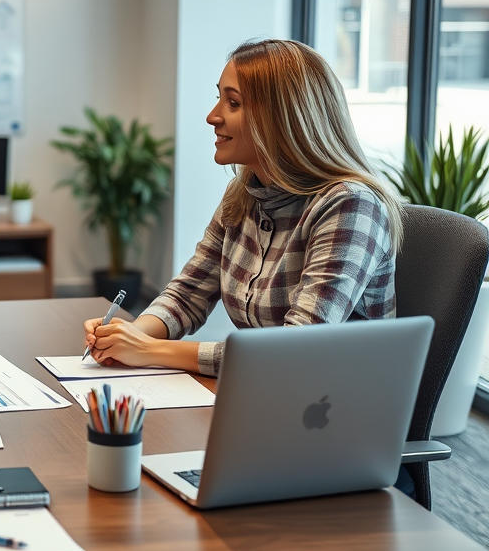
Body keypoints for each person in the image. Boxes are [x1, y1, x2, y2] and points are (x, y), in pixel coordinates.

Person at [84, 38, 401, 378]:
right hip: (262, 394)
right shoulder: (243, 195)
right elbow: (187, 294)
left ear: (283, 117)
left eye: (232, 103)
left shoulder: (351, 205)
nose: (212, 116)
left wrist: (151, 351)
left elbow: (296, 351)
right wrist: (129, 336)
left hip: (332, 409)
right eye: (218, 97)